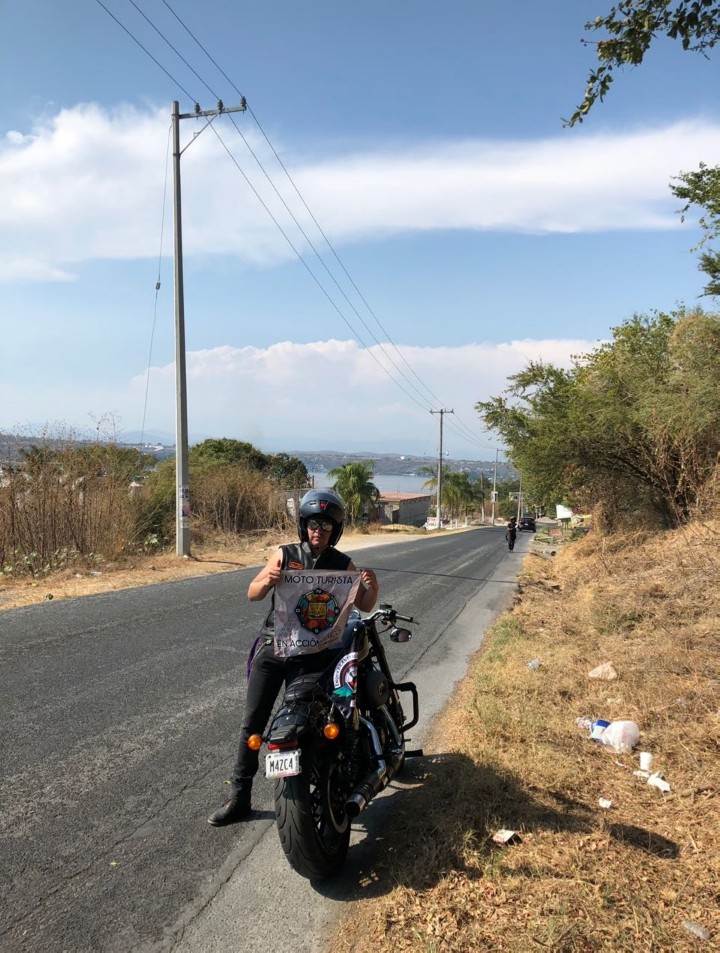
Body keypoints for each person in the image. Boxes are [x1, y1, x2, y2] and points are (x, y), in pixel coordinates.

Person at [208, 488, 379, 826]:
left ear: (336, 530)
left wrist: (371, 585)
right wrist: (267, 579)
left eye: (327, 526)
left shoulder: (343, 564)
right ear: (304, 525)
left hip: (312, 655)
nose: (319, 531)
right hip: (274, 648)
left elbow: (365, 605)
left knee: (316, 718)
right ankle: (239, 797)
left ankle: (321, 783)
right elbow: (252, 594)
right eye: (314, 524)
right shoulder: (284, 555)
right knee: (251, 723)